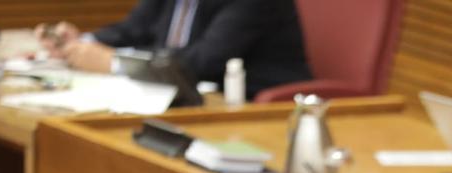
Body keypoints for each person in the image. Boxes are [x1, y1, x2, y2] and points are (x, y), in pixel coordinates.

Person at [34, 0, 312, 99]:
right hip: (181, 98)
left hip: (253, 109)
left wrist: (114, 63)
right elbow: (133, 29)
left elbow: (202, 62)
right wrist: (80, 42)